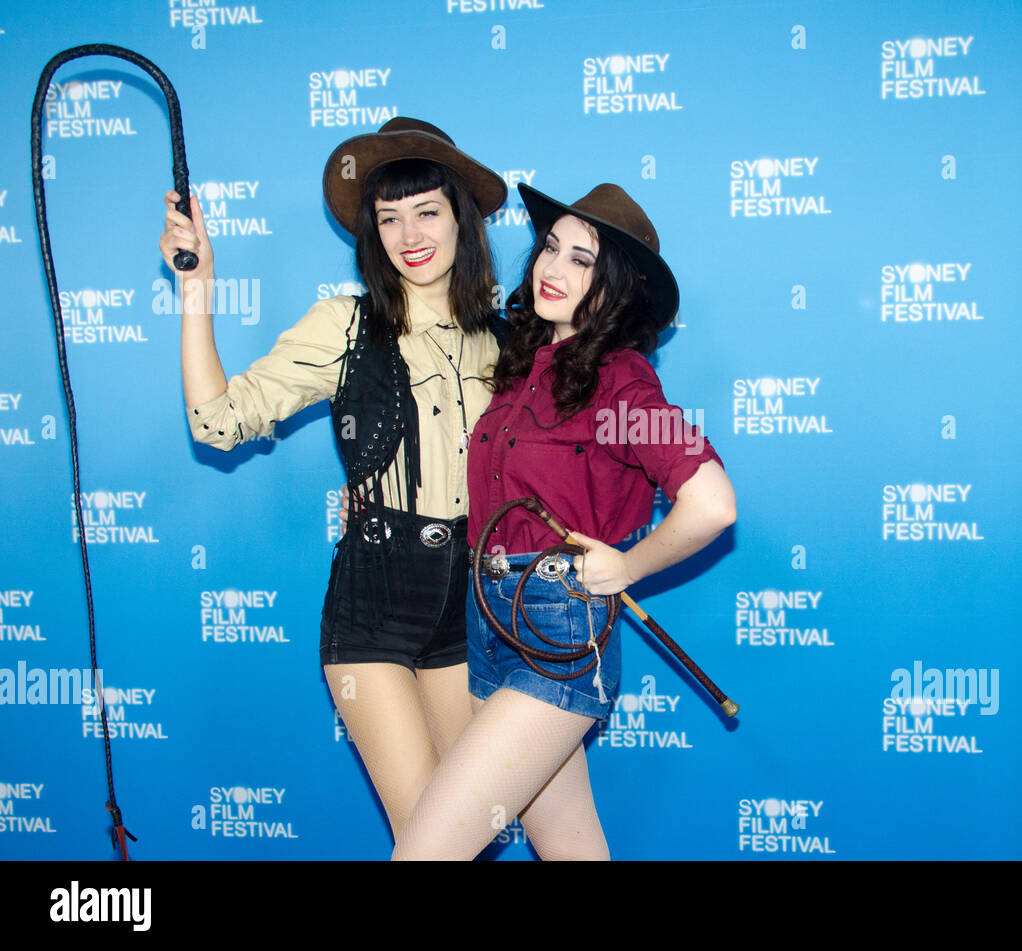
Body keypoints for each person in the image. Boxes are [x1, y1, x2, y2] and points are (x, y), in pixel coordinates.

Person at [159, 117, 508, 842]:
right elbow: (217, 422)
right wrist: (200, 288)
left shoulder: (508, 338)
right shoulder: (343, 326)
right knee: (428, 835)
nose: (408, 233)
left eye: (427, 211)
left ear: (461, 219)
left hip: (466, 605)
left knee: (470, 831)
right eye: (388, 217)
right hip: (373, 607)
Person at [393, 183, 737, 860]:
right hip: (492, 620)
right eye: (551, 247)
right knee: (572, 848)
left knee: (426, 850)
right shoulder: (523, 368)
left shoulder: (620, 381)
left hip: (558, 629)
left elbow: (713, 502)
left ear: (615, 289)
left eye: (583, 260)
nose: (552, 268)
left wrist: (630, 565)